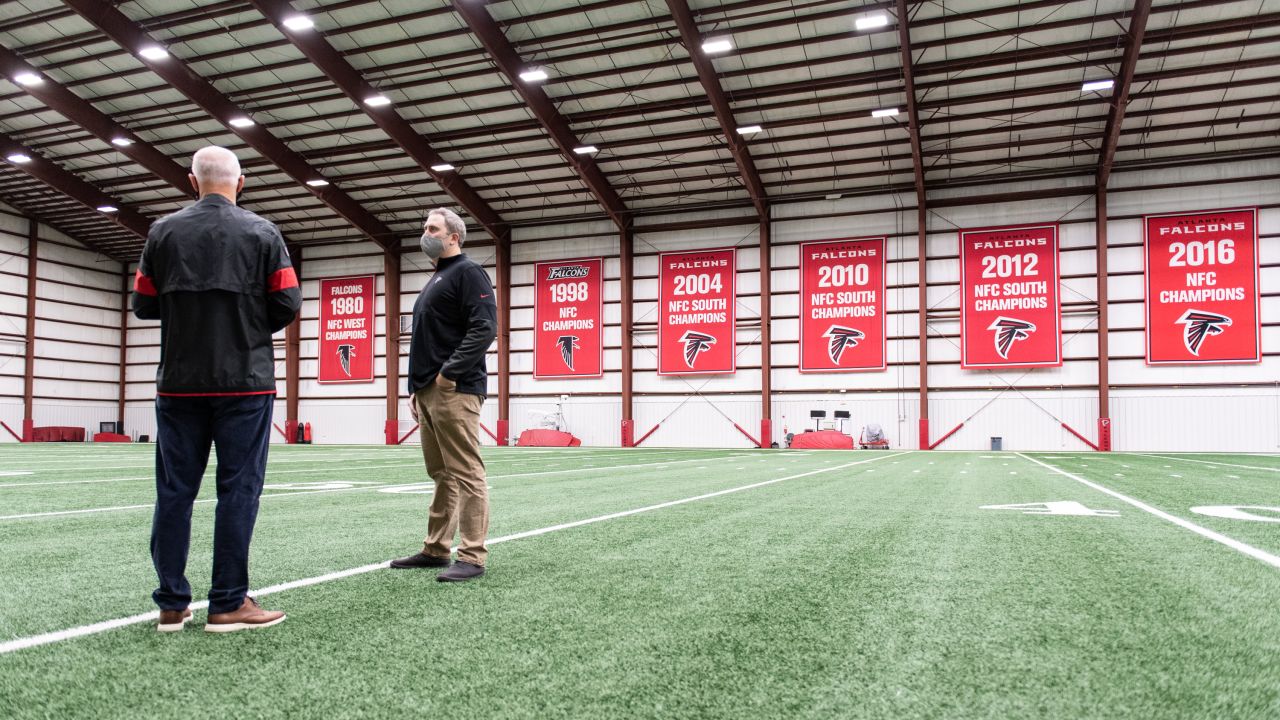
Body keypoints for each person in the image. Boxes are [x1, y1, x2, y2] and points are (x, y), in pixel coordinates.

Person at [132, 146, 301, 632]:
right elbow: (287, 301)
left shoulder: (162, 233)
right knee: (238, 491)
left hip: (180, 382)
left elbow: (143, 304)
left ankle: (171, 603)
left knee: (174, 493)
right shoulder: (262, 232)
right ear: (240, 182)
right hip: (244, 383)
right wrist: (245, 326)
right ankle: (228, 602)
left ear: (192, 181)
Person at [390, 207, 497, 582]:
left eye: (433, 228)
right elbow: (427, 340)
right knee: (441, 474)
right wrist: (414, 390)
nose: (426, 233)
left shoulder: (467, 272)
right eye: (424, 227)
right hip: (427, 393)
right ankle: (436, 549)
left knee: (466, 473)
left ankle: (472, 555)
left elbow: (485, 327)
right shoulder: (438, 277)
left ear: (454, 236)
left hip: (454, 391)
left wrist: (449, 375)